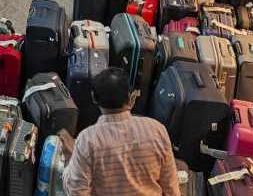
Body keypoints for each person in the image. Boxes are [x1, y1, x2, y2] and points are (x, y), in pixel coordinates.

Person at [62, 67, 180, 195]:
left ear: (94, 98)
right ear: (129, 97)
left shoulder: (87, 140)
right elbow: (171, 187)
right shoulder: (157, 130)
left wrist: (69, 164)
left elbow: (77, 192)